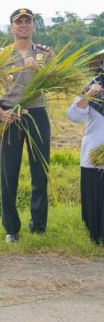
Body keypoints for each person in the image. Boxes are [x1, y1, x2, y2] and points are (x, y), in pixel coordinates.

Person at [0, 8, 53, 242]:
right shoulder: (1, 55)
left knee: (40, 171)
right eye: (19, 22)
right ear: (12, 27)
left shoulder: (45, 53)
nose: (23, 25)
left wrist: (39, 69)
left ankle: (39, 226)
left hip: (37, 112)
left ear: (34, 25)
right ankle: (11, 229)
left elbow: (55, 81)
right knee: (9, 173)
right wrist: (0, 112)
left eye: (27, 21)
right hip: (10, 115)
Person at [66, 56, 104, 244]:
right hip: (95, 152)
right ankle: (96, 236)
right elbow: (73, 115)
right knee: (95, 195)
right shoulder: (93, 86)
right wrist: (89, 94)